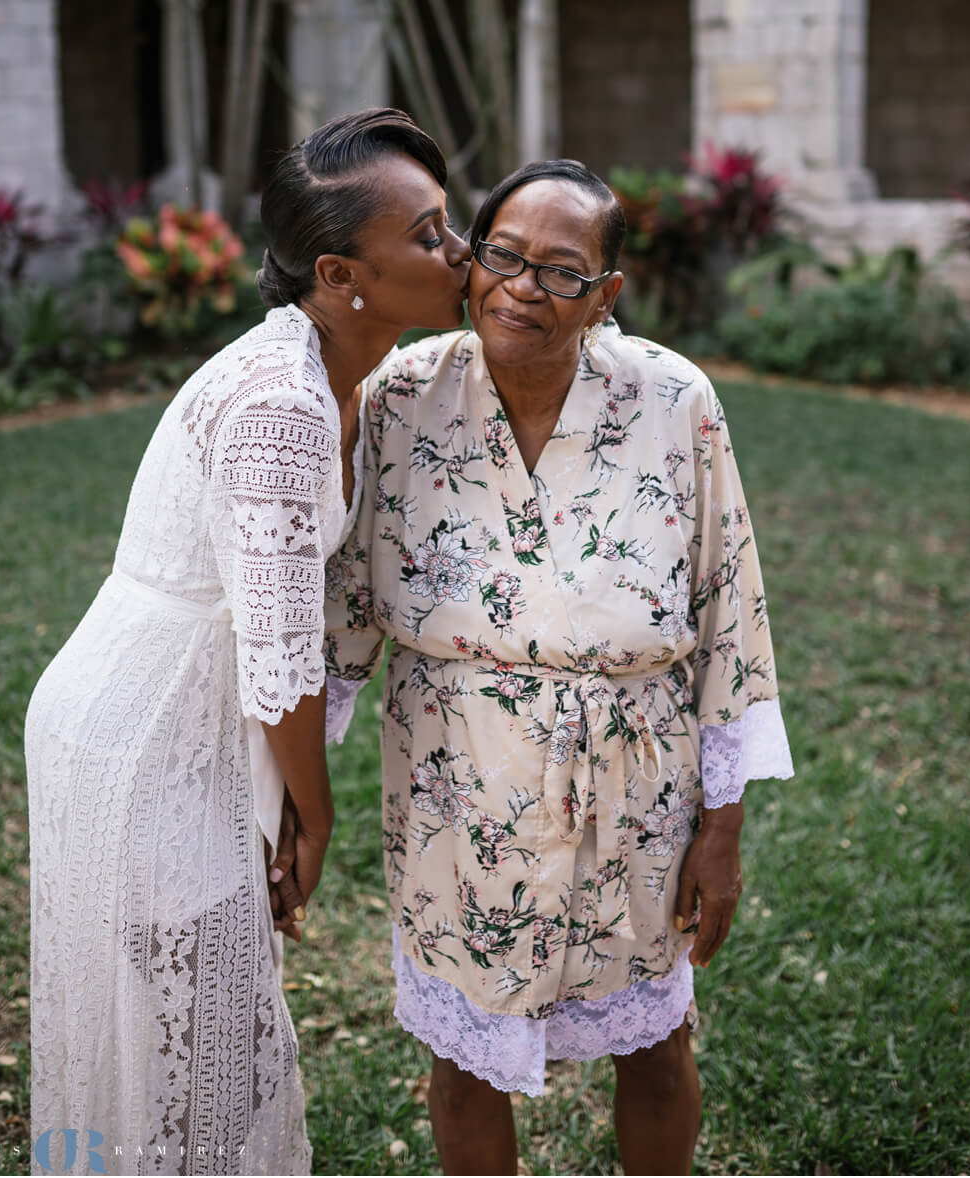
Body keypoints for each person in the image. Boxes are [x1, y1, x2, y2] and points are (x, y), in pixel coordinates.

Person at [324, 158, 794, 1177]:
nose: (520, 288)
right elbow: (346, 609)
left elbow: (729, 619)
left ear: (604, 296)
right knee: (464, 1065)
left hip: (637, 798)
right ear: (469, 258)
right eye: (500, 255)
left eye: (560, 271)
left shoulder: (675, 400)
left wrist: (721, 834)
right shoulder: (400, 398)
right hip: (457, 795)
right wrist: (291, 793)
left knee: (656, 1049)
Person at [24, 108, 471, 1177]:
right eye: (427, 236)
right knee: (191, 1052)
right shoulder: (280, 407)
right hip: (144, 742)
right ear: (338, 273)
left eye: (449, 224)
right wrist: (310, 824)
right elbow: (278, 660)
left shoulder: (348, 369)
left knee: (200, 1048)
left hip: (197, 730)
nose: (457, 252)